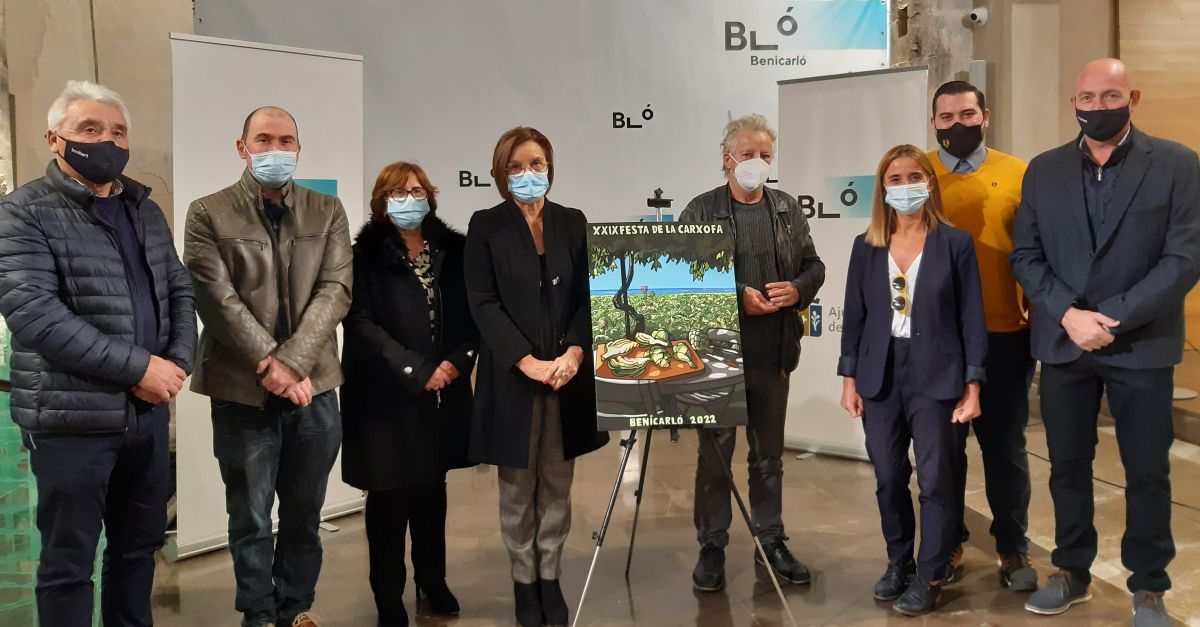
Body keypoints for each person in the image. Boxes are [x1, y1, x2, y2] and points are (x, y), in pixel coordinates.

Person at [0, 80, 196, 626]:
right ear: (54, 139)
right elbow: (36, 314)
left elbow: (179, 289)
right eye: (89, 129)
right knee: (69, 563)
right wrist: (141, 368)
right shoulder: (22, 212)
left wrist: (178, 361)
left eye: (117, 131)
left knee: (138, 549)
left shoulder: (143, 209)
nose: (106, 141)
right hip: (72, 420)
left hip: (146, 415)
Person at [1012, 58, 1200, 626]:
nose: (1098, 107)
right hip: (1065, 342)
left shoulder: (1177, 164)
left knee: (1147, 471)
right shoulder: (1043, 170)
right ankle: (1071, 570)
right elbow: (1027, 256)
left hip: (1141, 346)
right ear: (1074, 102)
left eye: (1110, 96)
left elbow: (1184, 258)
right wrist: (1069, 315)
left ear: (1132, 98)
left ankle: (1149, 587)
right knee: (1067, 466)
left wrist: (1111, 319)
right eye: (1088, 98)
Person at [183, 106, 352, 627]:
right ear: (243, 147)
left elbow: (335, 289)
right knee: (250, 517)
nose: (275, 149)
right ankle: (257, 614)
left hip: (314, 388)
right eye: (263, 139)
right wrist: (269, 364)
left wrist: (293, 364)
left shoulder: (327, 210)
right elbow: (216, 300)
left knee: (305, 514)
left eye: (285, 140)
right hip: (241, 390)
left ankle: (295, 609)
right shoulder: (207, 212)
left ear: (298, 149)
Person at [464, 126, 608, 627]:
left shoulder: (572, 221)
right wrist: (526, 360)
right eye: (517, 167)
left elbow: (589, 296)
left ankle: (550, 578)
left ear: (550, 167)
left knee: (558, 487)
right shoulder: (486, 225)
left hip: (567, 377)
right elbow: (482, 302)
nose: (529, 174)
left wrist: (575, 351)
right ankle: (524, 581)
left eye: (537, 164)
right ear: (501, 173)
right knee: (517, 489)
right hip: (514, 378)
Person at [838, 144, 987, 616]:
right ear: (882, 188)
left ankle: (932, 572)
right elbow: (855, 317)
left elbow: (972, 319)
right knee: (888, 476)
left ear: (930, 182)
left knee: (937, 479)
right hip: (879, 373)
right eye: (895, 179)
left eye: (914, 177)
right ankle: (898, 562)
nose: (906, 186)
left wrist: (973, 385)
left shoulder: (955, 243)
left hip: (937, 376)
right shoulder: (866, 246)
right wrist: (849, 379)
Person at [678, 113, 825, 592]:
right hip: (715, 354)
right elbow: (681, 281)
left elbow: (814, 264)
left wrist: (798, 289)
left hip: (772, 351)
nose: (756, 162)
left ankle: (771, 540)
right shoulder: (699, 211)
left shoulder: (786, 209)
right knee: (715, 456)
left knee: (768, 456)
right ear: (727, 159)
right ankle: (712, 546)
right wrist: (735, 295)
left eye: (765, 154)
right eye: (747, 154)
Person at [341, 161, 478, 626]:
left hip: (442, 394)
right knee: (388, 499)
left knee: (431, 493)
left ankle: (432, 580)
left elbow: (473, 314)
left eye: (417, 191)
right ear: (381, 203)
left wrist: (456, 363)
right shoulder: (362, 257)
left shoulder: (454, 251)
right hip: (385, 397)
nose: (409, 200)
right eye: (398, 193)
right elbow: (360, 322)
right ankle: (388, 595)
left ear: (430, 197)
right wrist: (416, 370)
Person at [928, 80, 1038, 590]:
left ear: (985, 116)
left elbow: (1037, 249)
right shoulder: (917, 174)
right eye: (946, 117)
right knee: (944, 452)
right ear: (934, 123)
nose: (958, 124)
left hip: (1005, 335)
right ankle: (948, 542)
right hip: (938, 341)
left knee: (1005, 450)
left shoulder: (1020, 173)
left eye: (967, 114)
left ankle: (1013, 548)